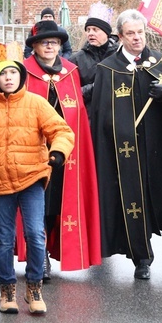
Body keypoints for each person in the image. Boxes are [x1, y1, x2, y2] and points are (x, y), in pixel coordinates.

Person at [0, 58, 74, 315]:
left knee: (35, 235)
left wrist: (59, 151)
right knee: (5, 239)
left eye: (12, 73)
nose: (8, 77)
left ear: (20, 76)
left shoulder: (36, 103)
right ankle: (6, 289)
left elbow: (61, 131)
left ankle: (34, 286)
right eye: (3, 74)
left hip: (32, 178)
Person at [89, 9, 162, 280]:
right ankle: (142, 258)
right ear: (120, 36)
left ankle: (145, 251)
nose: (137, 38)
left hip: (156, 152)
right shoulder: (107, 69)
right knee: (129, 203)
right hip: (123, 152)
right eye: (131, 34)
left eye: (140, 32)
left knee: (151, 202)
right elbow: (100, 113)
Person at [21, 21, 101, 279]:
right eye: (44, 42)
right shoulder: (23, 71)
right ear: (34, 45)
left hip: (65, 153)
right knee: (37, 202)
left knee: (57, 203)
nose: (49, 46)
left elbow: (76, 111)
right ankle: (38, 254)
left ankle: (52, 249)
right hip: (33, 150)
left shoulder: (70, 71)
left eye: (54, 42)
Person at [69, 3, 119, 113]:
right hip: (89, 117)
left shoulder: (120, 56)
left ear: (106, 33)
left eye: (95, 30)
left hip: (116, 116)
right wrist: (94, 88)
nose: (90, 33)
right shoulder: (76, 60)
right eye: (88, 30)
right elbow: (71, 94)